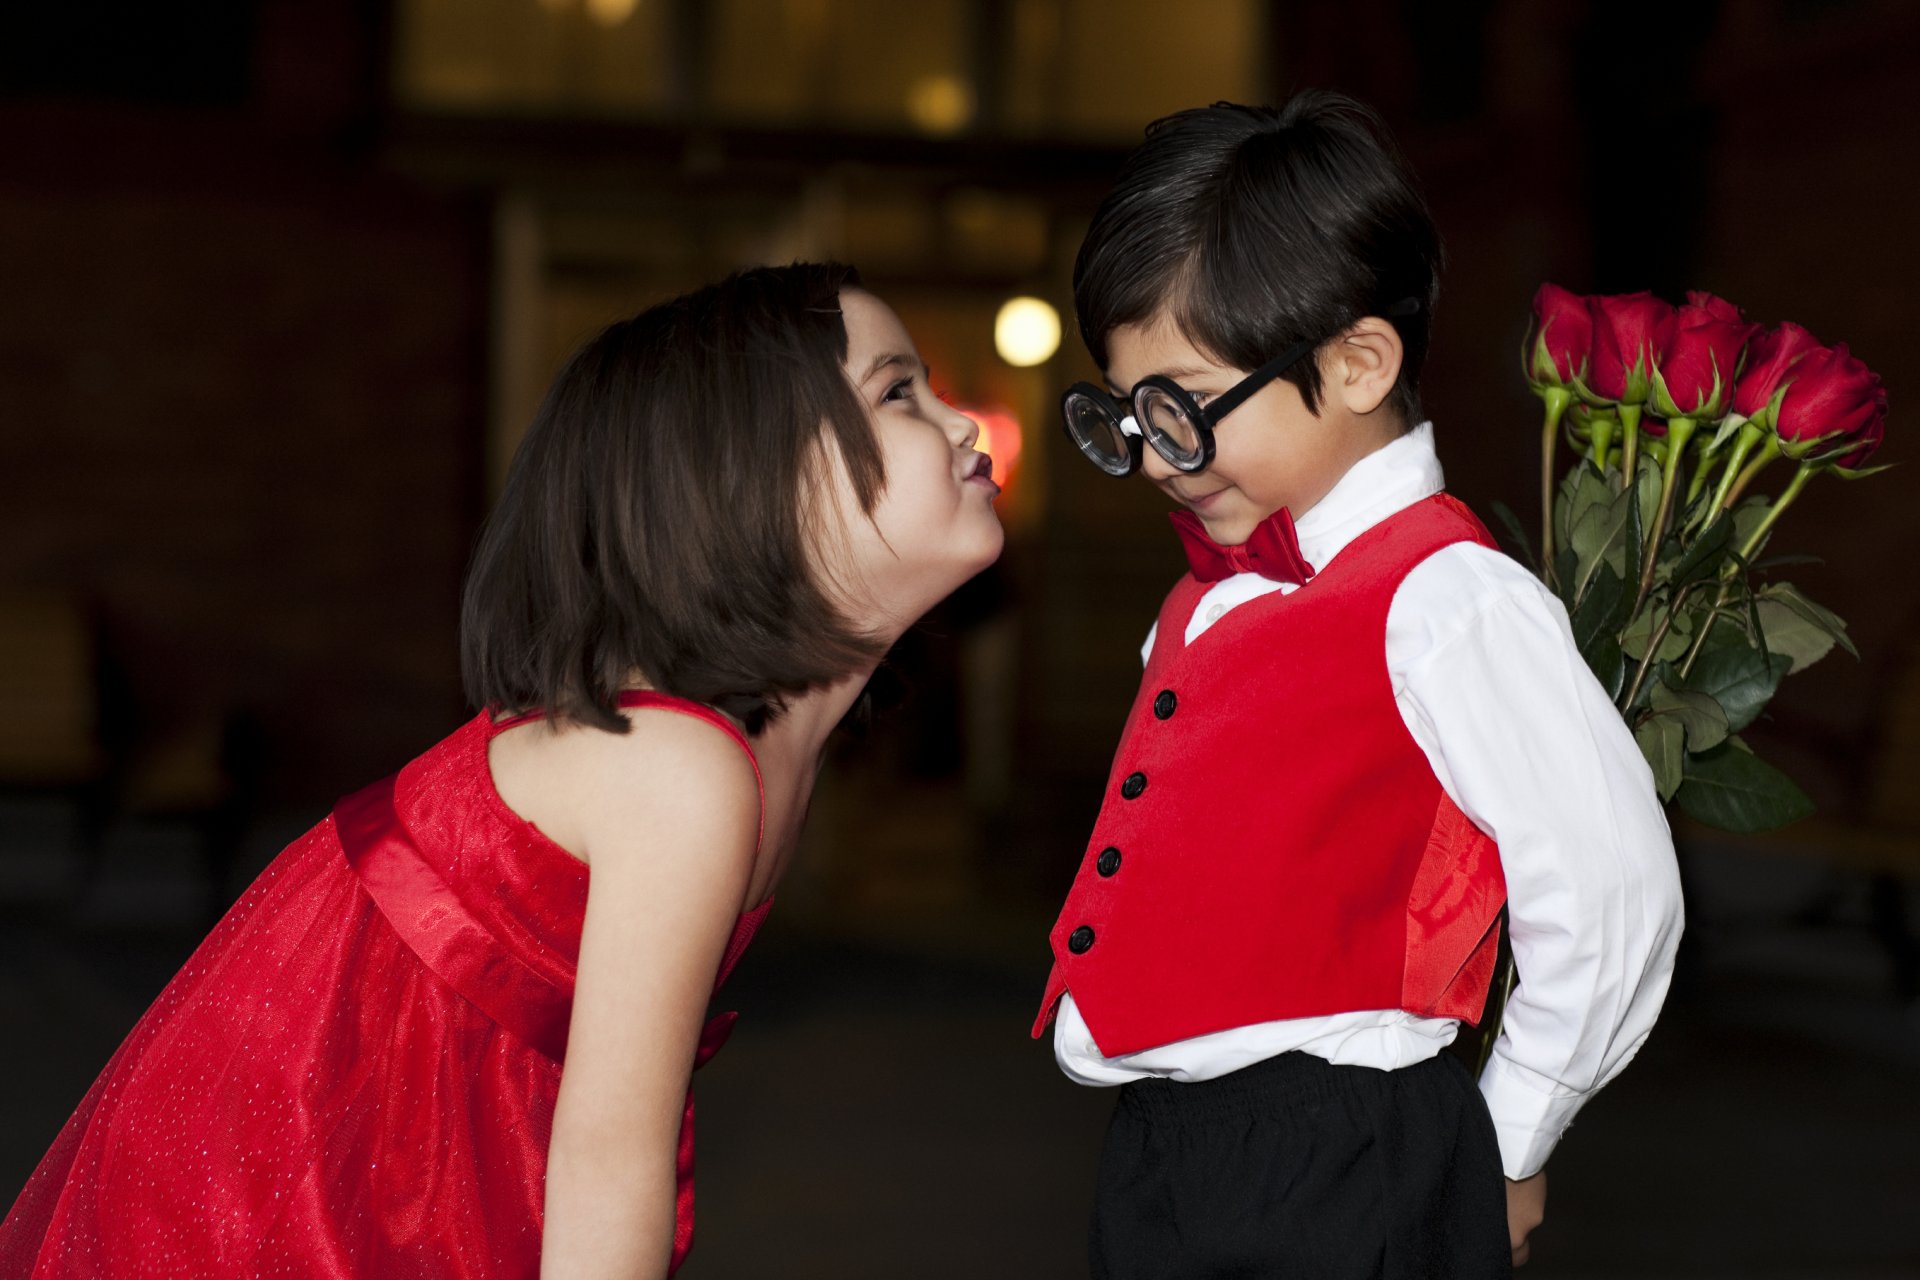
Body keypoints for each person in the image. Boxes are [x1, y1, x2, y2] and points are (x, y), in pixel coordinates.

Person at [1, 262, 1005, 1279]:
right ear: (754, 485)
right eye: (897, 392)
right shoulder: (681, 768)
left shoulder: (753, 752)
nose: (965, 424)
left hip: (438, 1121)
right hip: (308, 1139)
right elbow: (611, 1154)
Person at [1034, 93, 1684, 1278]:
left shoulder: (1450, 600)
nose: (1156, 458)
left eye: (1181, 408)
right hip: (1178, 1149)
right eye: (1130, 415)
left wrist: (1511, 1133)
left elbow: (1611, 885)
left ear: (1358, 359)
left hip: (1342, 1150)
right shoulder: (1208, 597)